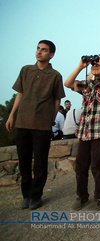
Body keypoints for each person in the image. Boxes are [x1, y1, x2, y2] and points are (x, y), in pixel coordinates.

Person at [5, 40, 65, 210]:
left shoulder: (55, 75)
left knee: (40, 162)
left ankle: (36, 196)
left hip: (42, 126)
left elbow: (57, 100)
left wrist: (51, 120)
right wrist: (11, 116)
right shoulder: (26, 70)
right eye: (38, 49)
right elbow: (20, 94)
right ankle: (26, 195)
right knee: (23, 162)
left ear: (51, 54)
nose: (39, 52)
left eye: (44, 50)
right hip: (23, 122)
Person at [64, 54, 100, 210]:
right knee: (81, 166)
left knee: (96, 165)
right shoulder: (87, 84)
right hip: (84, 131)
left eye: (98, 64)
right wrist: (81, 66)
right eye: (93, 64)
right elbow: (68, 83)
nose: (95, 65)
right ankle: (82, 197)